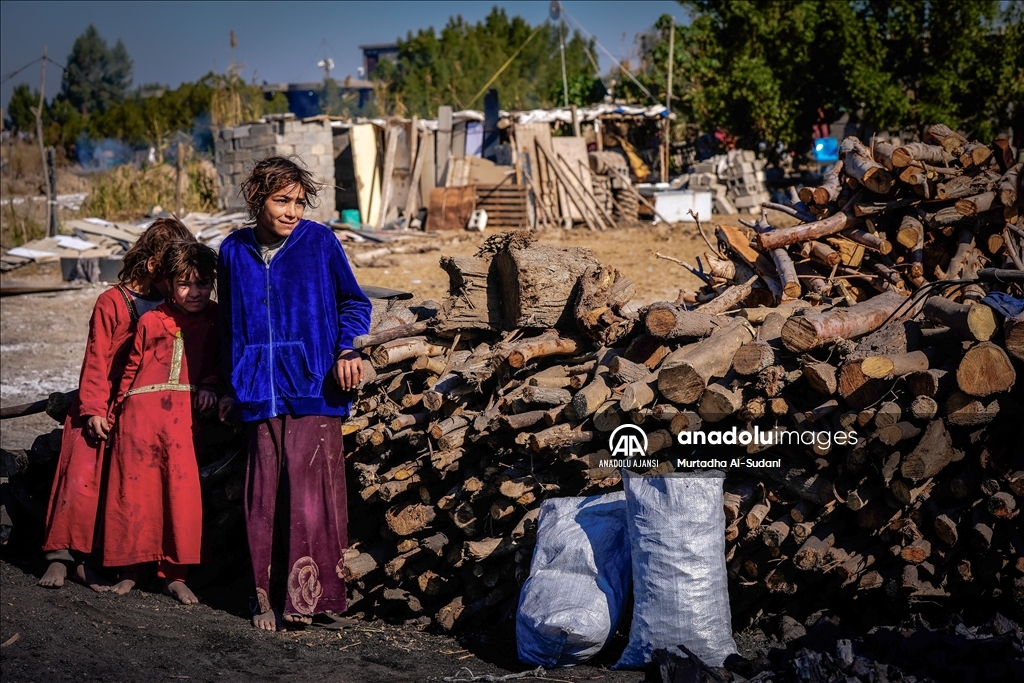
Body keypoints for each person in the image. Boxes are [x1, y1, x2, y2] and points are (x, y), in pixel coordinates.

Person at [217, 156, 371, 631]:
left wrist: (348, 349)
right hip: (257, 392)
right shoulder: (232, 251)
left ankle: (317, 602)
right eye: (282, 200)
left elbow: (354, 301)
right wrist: (228, 383)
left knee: (313, 499)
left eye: (299, 202)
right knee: (262, 498)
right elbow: (230, 324)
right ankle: (262, 599)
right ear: (256, 199)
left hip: (312, 387)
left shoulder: (319, 242)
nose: (292, 212)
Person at [39, 218, 195, 590]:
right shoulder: (113, 301)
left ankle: (114, 562)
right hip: (100, 402)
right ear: (154, 265)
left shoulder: (170, 304)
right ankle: (60, 557)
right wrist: (93, 409)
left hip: (142, 410)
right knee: (81, 471)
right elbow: (95, 359)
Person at [100, 241, 221, 604]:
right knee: (135, 493)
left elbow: (220, 363)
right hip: (138, 418)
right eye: (185, 284)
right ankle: (130, 569)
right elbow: (131, 368)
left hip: (181, 419)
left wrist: (212, 388)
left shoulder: (216, 318)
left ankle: (174, 574)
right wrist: (115, 409)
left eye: (203, 283)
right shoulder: (151, 320)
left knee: (179, 494)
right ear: (167, 283)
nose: (195, 292)